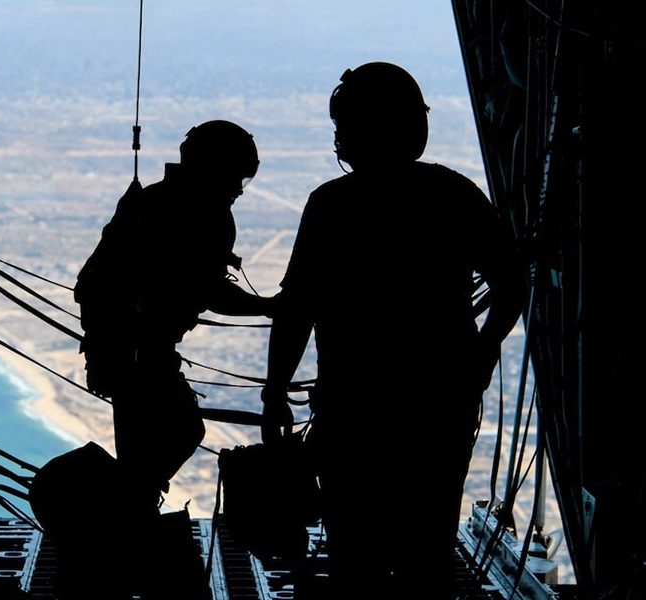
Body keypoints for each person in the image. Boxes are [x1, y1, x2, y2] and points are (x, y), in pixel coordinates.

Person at [261, 63, 526, 598]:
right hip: (438, 408)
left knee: (355, 558)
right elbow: (512, 282)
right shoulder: (454, 194)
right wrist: (480, 352)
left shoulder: (332, 205)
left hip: (353, 410)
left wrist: (274, 392)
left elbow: (297, 311)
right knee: (426, 554)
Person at [75, 119, 276, 509]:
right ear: (213, 167)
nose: (238, 189)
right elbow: (207, 289)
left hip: (125, 346)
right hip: (134, 349)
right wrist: (268, 307)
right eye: (236, 176)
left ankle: (128, 510)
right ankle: (122, 512)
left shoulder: (160, 202)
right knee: (173, 435)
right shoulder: (191, 213)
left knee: (157, 442)